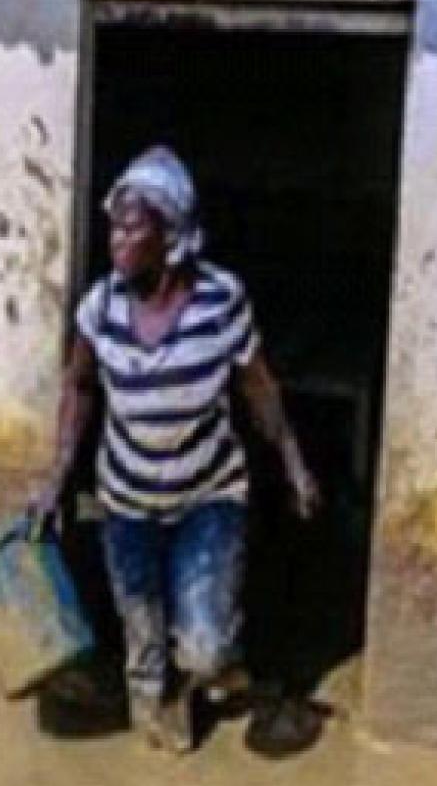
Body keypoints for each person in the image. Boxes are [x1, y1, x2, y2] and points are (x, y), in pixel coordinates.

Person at [33, 146, 318, 754]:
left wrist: (293, 462)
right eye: (114, 225)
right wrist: (58, 477)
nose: (117, 240)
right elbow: (79, 387)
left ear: (172, 237)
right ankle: (155, 729)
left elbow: (258, 385)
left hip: (208, 496)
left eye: (133, 228)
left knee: (205, 643)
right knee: (143, 637)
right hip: (127, 500)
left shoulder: (221, 301)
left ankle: (211, 671)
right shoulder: (100, 307)